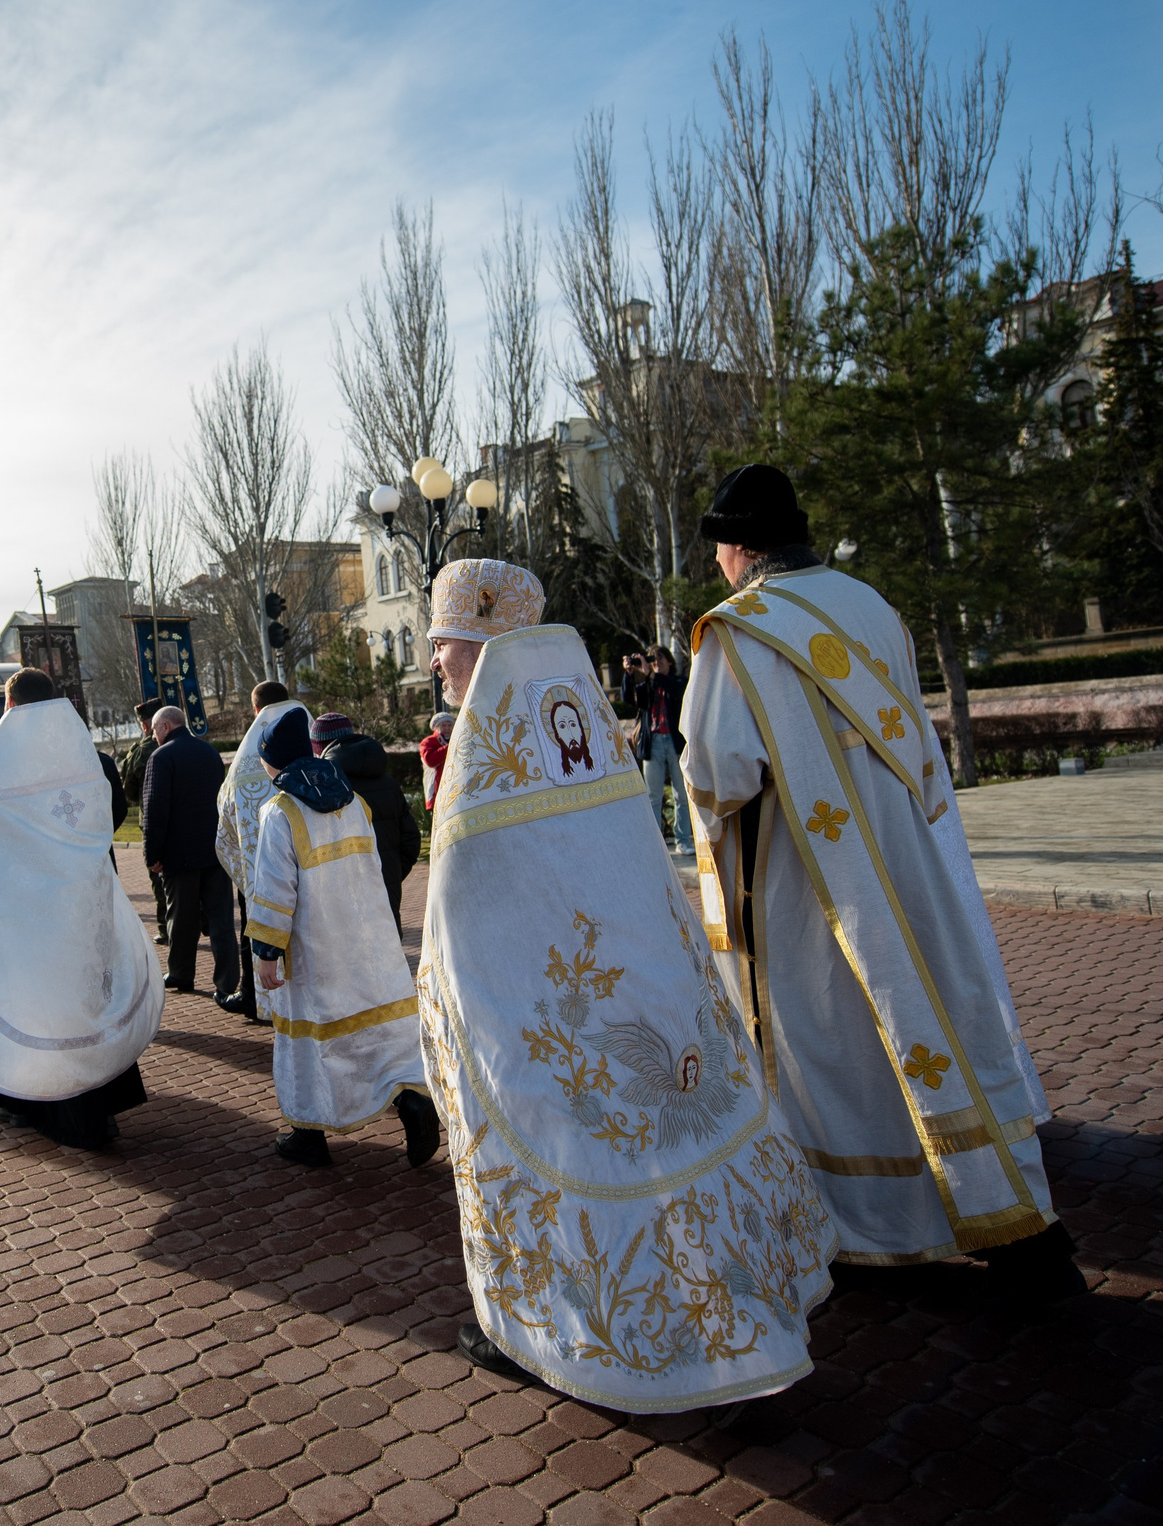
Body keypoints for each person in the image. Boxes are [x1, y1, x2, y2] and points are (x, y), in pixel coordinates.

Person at [416, 556, 837, 1407]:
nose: (436, 661)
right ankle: (740, 1314)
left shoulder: (482, 751)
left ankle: (564, 1331)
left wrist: (458, 1011)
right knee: (672, 1153)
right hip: (650, 994)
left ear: (486, 641)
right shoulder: (582, 727)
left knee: (580, 1153)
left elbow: (465, 912)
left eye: (445, 643)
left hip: (550, 1015)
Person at [680, 464, 1083, 1304]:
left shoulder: (741, 630)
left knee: (845, 1047)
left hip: (814, 889)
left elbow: (720, 771)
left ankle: (862, 1224)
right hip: (910, 852)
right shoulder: (871, 601)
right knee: (930, 1016)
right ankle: (1002, 1217)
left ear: (744, 546)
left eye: (719, 545)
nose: (716, 561)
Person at [0, 668, 161, 1149]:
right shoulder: (82, 752)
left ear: (10, 705)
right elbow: (105, 813)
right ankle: (102, 1108)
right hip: (85, 906)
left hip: (32, 919)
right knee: (90, 1001)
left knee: (42, 1006)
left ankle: (48, 1107)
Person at [244, 709, 440, 1169]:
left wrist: (267, 951)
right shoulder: (353, 801)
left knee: (311, 1040)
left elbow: (273, 889)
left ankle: (308, 1135)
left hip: (315, 948)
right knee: (380, 1028)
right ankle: (412, 1101)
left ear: (274, 760)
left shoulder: (281, 811)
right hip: (368, 938)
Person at [214, 693, 310, 1019]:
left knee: (259, 919)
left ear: (256, 708)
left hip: (262, 867)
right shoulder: (309, 729)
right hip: (320, 867)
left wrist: (247, 868)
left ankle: (261, 1001)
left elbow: (225, 815)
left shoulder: (247, 755)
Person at [140, 705, 236, 998]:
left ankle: (181, 973)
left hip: (178, 852)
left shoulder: (161, 757)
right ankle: (228, 981)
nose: (154, 736)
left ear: (166, 727)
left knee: (180, 918)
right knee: (221, 918)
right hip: (213, 849)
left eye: (155, 730)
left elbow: (155, 810)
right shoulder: (209, 753)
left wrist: (151, 854)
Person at [310, 712, 421, 925]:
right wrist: (390, 875)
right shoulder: (389, 783)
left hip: (344, 903)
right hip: (387, 893)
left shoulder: (325, 790)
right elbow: (411, 841)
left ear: (318, 747)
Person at [624, 647, 694, 854]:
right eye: (653, 660)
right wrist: (629, 675)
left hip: (675, 743)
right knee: (653, 796)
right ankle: (657, 844)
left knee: (681, 794)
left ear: (670, 661)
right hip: (653, 742)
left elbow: (675, 690)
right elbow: (631, 700)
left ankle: (683, 840)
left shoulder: (680, 681)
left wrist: (652, 675)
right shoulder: (649, 683)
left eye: (660, 659)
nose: (656, 663)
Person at [119, 697, 171, 944]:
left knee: (158, 875)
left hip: (151, 820)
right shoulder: (188, 742)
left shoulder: (140, 752)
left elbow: (128, 791)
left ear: (144, 725)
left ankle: (166, 927)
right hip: (186, 821)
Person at [416, 712, 454, 809]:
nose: (447, 728)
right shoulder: (428, 742)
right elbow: (430, 761)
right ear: (436, 727)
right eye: (443, 725)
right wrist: (450, 747)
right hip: (437, 791)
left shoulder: (456, 740)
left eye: (450, 725)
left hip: (454, 788)